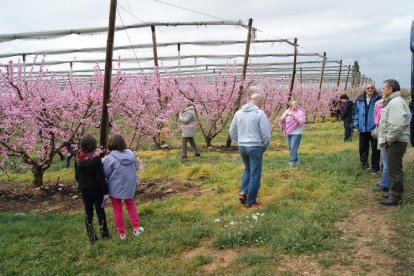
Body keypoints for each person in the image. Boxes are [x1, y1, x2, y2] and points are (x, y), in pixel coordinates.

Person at [229, 93, 271, 208]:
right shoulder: (259, 113)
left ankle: (243, 192)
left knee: (247, 170)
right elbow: (266, 133)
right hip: (255, 146)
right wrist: (265, 146)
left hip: (242, 147)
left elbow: (232, 131)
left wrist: (239, 142)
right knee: (255, 174)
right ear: (259, 101)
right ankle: (251, 202)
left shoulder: (238, 113)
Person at [103, 134, 144, 240]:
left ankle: (122, 233)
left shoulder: (110, 158)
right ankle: (136, 228)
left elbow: (106, 173)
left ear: (110, 144)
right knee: (130, 205)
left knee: (117, 209)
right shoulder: (130, 154)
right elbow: (135, 167)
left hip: (115, 187)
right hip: (129, 185)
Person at [378, 79, 411, 205]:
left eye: (384, 88)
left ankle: (396, 197)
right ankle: (393, 193)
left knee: (395, 170)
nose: (382, 90)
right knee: (392, 169)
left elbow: (397, 125)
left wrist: (389, 140)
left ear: (390, 89)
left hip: (395, 142)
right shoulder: (392, 102)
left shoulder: (396, 103)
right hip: (394, 141)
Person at [75, 135, 110, 243]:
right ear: (94, 146)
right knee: (100, 211)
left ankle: (91, 235)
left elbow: (77, 176)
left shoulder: (78, 158)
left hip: (84, 189)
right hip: (96, 190)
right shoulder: (96, 160)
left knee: (88, 211)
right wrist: (105, 192)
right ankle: (104, 233)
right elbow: (100, 178)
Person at [353, 82, 381, 173]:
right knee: (363, 148)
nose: (370, 89)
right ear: (365, 89)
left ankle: (375, 167)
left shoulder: (379, 99)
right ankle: (364, 166)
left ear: (374, 88)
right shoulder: (359, 99)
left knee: (375, 149)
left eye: (371, 88)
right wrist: (356, 126)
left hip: (374, 128)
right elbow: (356, 114)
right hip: (363, 129)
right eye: (368, 88)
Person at [372, 98, 391, 193]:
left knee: (387, 163)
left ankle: (385, 184)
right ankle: (386, 183)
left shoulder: (388, 106)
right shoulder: (381, 105)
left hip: (387, 137)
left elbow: (377, 121)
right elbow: (376, 120)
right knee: (385, 161)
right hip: (383, 136)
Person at [279, 101, 306, 166]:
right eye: (295, 104)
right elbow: (281, 121)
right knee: (290, 147)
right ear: (291, 106)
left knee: (293, 147)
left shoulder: (300, 112)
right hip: (289, 132)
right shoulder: (286, 111)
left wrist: (294, 117)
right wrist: (285, 116)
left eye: (297, 104)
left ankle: (292, 161)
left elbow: (301, 123)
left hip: (297, 132)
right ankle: (296, 160)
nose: (297, 105)